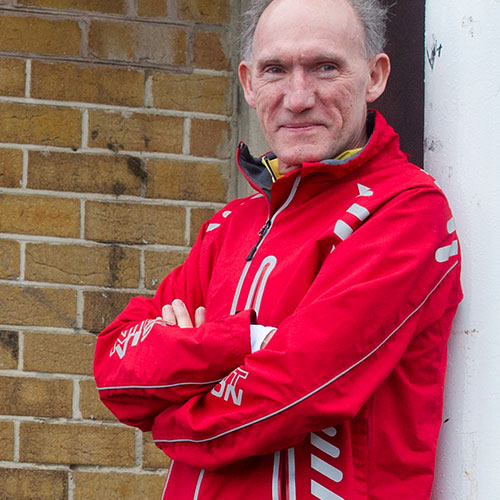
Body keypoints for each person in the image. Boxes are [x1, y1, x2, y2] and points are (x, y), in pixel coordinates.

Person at [94, 0, 463, 498]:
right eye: (275, 70)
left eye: (325, 67)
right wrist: (242, 342)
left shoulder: (406, 210)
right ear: (249, 84)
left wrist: (172, 409)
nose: (298, 97)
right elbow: (115, 371)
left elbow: (296, 393)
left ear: (374, 76)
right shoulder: (232, 223)